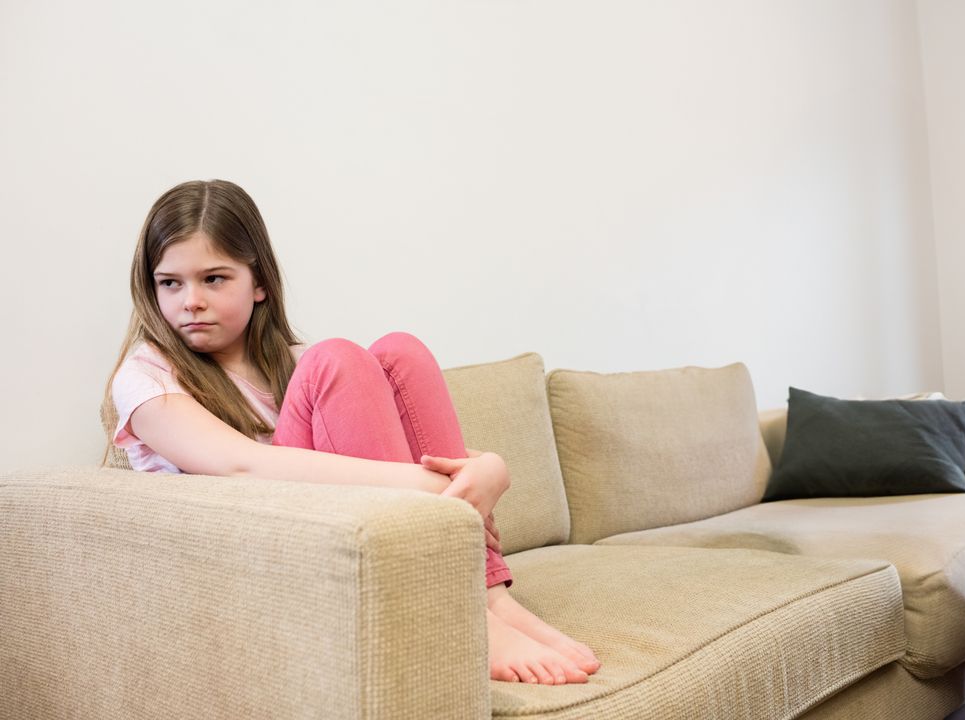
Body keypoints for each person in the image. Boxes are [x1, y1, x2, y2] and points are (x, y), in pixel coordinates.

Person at [101, 179, 600, 685]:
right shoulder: (146, 378)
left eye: (213, 279)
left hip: (323, 534)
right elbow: (242, 465)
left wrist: (490, 468)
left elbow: (402, 451)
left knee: (399, 353)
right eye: (170, 283)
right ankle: (461, 605)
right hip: (249, 559)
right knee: (335, 359)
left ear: (259, 283)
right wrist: (448, 497)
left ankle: (488, 596)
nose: (191, 301)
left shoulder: (290, 364)